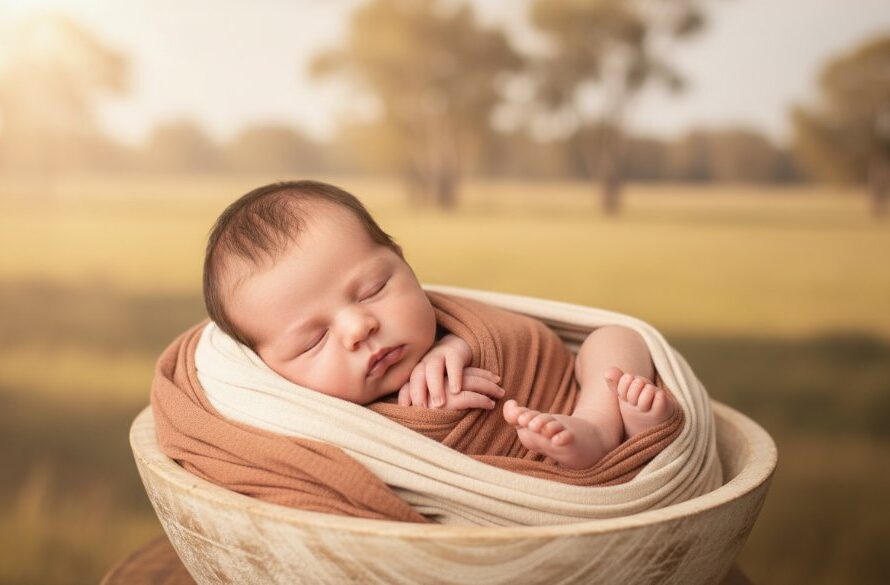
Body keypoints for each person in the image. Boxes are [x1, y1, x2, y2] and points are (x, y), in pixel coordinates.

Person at [202, 180, 674, 470]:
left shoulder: (446, 325)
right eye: (314, 339)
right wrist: (435, 419)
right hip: (524, 482)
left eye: (372, 290)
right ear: (266, 368)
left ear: (404, 264)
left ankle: (606, 422)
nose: (358, 328)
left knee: (615, 339)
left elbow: (520, 340)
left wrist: (459, 344)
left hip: (570, 397)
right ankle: (638, 433)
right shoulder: (311, 421)